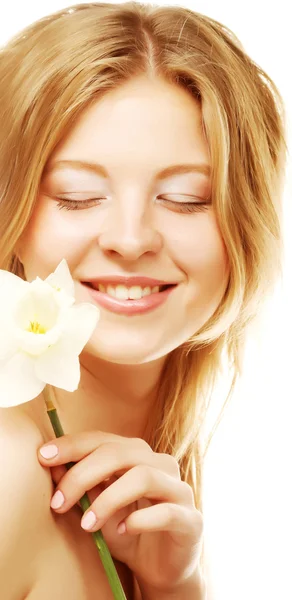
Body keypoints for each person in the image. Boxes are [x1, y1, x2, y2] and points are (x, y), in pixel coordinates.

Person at [0, 2, 287, 599]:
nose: (130, 240)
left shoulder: (158, 502)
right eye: (77, 196)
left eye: (187, 199)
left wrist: (175, 588)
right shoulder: (9, 478)